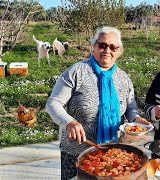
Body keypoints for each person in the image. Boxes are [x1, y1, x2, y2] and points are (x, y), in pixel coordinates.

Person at [46, 26, 149, 180]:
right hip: (76, 154)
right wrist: (69, 122)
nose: (107, 50)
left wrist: (136, 119)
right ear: (93, 47)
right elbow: (53, 103)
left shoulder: (123, 78)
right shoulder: (77, 72)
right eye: (102, 45)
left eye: (113, 47)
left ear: (119, 51)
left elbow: (131, 107)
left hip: (113, 153)